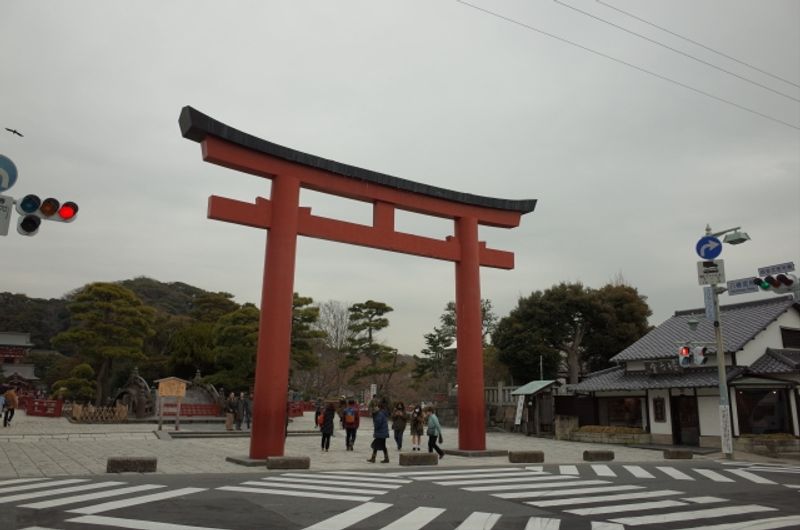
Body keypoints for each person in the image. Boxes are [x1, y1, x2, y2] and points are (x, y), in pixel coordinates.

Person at [367, 399, 390, 463]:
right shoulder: (380, 414)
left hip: (381, 433)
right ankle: (385, 458)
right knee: (381, 446)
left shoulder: (379, 415)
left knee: (375, 445)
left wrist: (375, 426)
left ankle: (374, 458)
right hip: (383, 433)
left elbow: (378, 424)